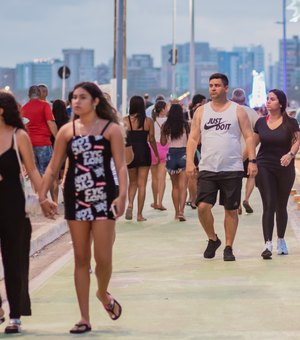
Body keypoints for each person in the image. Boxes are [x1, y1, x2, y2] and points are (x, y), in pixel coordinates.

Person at [39, 82, 128, 333]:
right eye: (73, 97)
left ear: (95, 101)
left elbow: (121, 166)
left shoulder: (111, 130)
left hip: (104, 197)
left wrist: (122, 196)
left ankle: (102, 293)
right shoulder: (67, 132)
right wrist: (43, 195)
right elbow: (53, 167)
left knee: (103, 259)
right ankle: (84, 318)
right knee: (81, 258)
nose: (76, 102)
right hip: (76, 198)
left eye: (82, 97)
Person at [186, 73, 257, 261]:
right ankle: (212, 239)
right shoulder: (201, 111)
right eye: (211, 85)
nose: (213, 88)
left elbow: (249, 136)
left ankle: (228, 246)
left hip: (232, 167)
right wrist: (189, 161)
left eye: (217, 85)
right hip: (208, 166)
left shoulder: (237, 110)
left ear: (226, 88)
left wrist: (252, 161)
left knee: (231, 209)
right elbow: (193, 138)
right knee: (202, 207)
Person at [0, 91, 55, 334]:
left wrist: (43, 198)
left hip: (12, 204)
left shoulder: (18, 136)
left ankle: (14, 315)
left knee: (14, 261)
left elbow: (32, 171)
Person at [253, 89, 300, 259]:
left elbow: (297, 141)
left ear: (280, 103)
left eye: (272, 99)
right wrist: (246, 160)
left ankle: (280, 239)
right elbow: (252, 143)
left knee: (281, 205)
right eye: (267, 98)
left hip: (284, 167)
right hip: (264, 165)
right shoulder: (260, 123)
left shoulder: (291, 122)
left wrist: (290, 154)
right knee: (269, 203)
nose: (268, 101)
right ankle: (267, 244)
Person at [123, 95, 159, 222]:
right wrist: (156, 154)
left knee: (132, 182)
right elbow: (152, 139)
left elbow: (122, 140)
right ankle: (139, 215)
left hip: (130, 153)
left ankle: (130, 204)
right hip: (144, 151)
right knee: (142, 184)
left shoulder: (125, 121)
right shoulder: (148, 121)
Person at [21, 85, 58, 201]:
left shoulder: (24, 108)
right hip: (43, 144)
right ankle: (55, 202)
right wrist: (58, 137)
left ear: (28, 95)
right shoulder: (45, 105)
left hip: (29, 145)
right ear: (40, 94)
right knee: (50, 174)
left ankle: (42, 200)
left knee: (34, 173)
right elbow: (51, 124)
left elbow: (22, 127)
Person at [231, 88, 258, 214]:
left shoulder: (230, 111)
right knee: (251, 176)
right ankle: (246, 199)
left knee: (235, 179)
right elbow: (259, 131)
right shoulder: (252, 112)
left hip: (233, 151)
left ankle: (237, 203)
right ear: (245, 99)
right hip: (249, 151)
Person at [161, 104, 189, 221]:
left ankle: (176, 212)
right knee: (183, 186)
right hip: (184, 154)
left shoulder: (165, 126)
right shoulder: (186, 125)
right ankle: (182, 211)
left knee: (175, 186)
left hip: (171, 155)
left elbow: (163, 143)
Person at [186, 94, 206, 209]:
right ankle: (195, 198)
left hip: (189, 145)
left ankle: (191, 198)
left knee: (191, 176)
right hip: (199, 146)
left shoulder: (187, 113)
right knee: (197, 175)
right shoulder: (200, 112)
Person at [150, 100, 168, 210]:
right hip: (165, 148)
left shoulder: (151, 121)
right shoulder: (168, 121)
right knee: (162, 178)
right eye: (166, 107)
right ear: (162, 109)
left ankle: (155, 201)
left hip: (152, 149)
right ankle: (160, 202)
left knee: (154, 178)